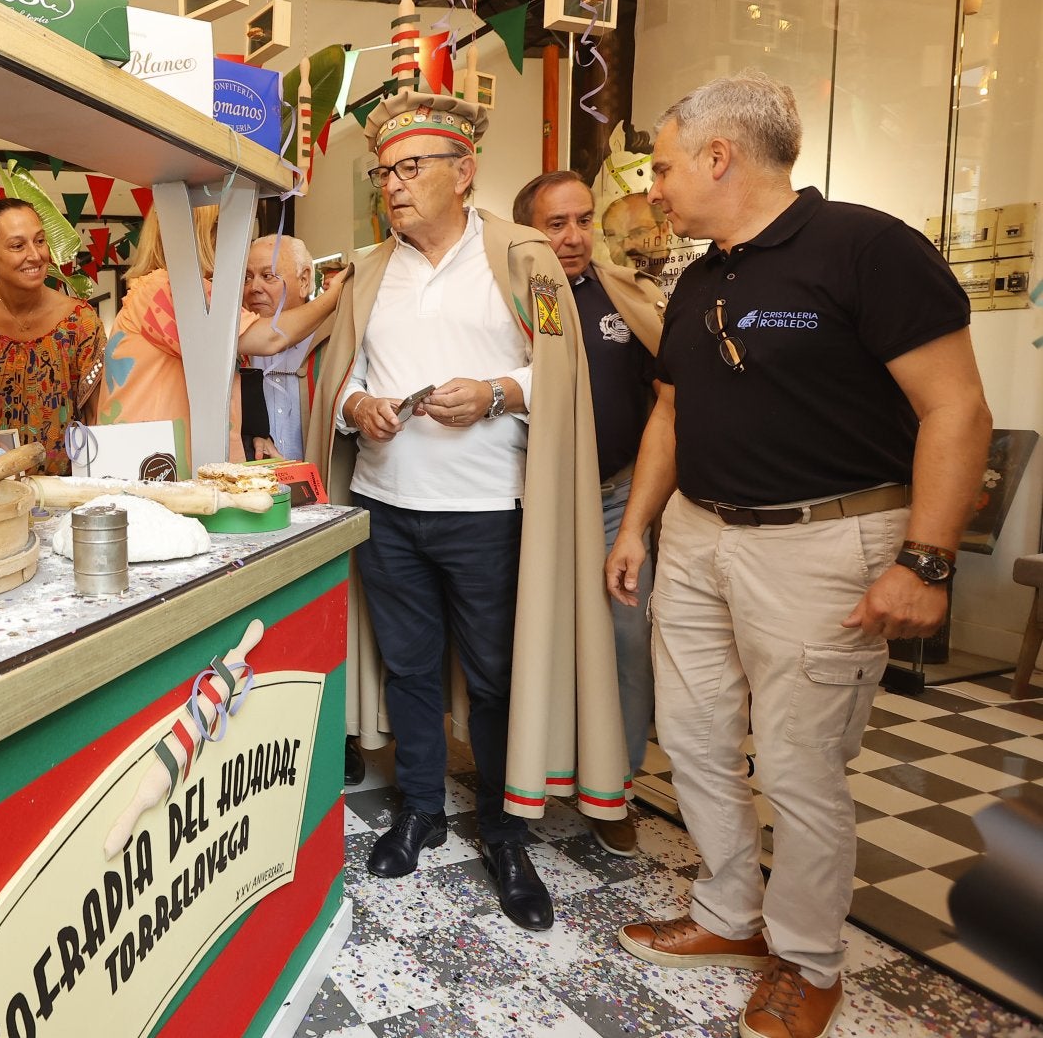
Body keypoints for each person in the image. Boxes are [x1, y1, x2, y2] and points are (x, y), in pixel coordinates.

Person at [607, 71, 989, 1038]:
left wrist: (928, 561)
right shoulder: (701, 276)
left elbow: (958, 409)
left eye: (662, 164)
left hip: (826, 541)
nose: (655, 186)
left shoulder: (866, 248)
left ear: (718, 157)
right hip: (698, 535)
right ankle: (730, 916)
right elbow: (670, 411)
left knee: (798, 762)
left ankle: (809, 956)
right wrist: (637, 527)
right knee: (690, 739)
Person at [306, 89, 623, 932]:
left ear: (465, 170)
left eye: (411, 168)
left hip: (489, 509)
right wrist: (355, 409)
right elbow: (336, 380)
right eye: (384, 173)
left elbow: (561, 373)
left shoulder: (524, 259)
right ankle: (419, 810)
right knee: (409, 669)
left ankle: (505, 831)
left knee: (492, 675)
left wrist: (494, 391)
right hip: (387, 504)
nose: (394, 186)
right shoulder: (370, 270)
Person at [513, 170, 666, 857]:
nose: (572, 237)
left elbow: (662, 400)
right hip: (530, 503)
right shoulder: (509, 298)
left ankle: (615, 784)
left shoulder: (621, 296)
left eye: (582, 221)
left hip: (613, 501)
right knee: (534, 640)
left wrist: (639, 511)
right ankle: (528, 775)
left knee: (627, 641)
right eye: (555, 224)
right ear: (526, 232)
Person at [97, 206, 346, 463]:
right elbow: (270, 337)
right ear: (205, 234)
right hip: (149, 463)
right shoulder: (169, 289)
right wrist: (334, 297)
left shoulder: (166, 287)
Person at [0, 199, 105, 475]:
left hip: (60, 496)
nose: (35, 255)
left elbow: (97, 419)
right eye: (17, 246)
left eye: (39, 241)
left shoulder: (80, 323)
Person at [241, 234, 320, 462]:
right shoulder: (237, 349)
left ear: (304, 281)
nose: (254, 287)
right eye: (247, 278)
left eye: (268, 276)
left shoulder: (334, 342)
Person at [603, 191, 673, 279]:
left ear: (664, 230)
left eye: (638, 233)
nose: (627, 246)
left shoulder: (691, 275)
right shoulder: (605, 287)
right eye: (615, 237)